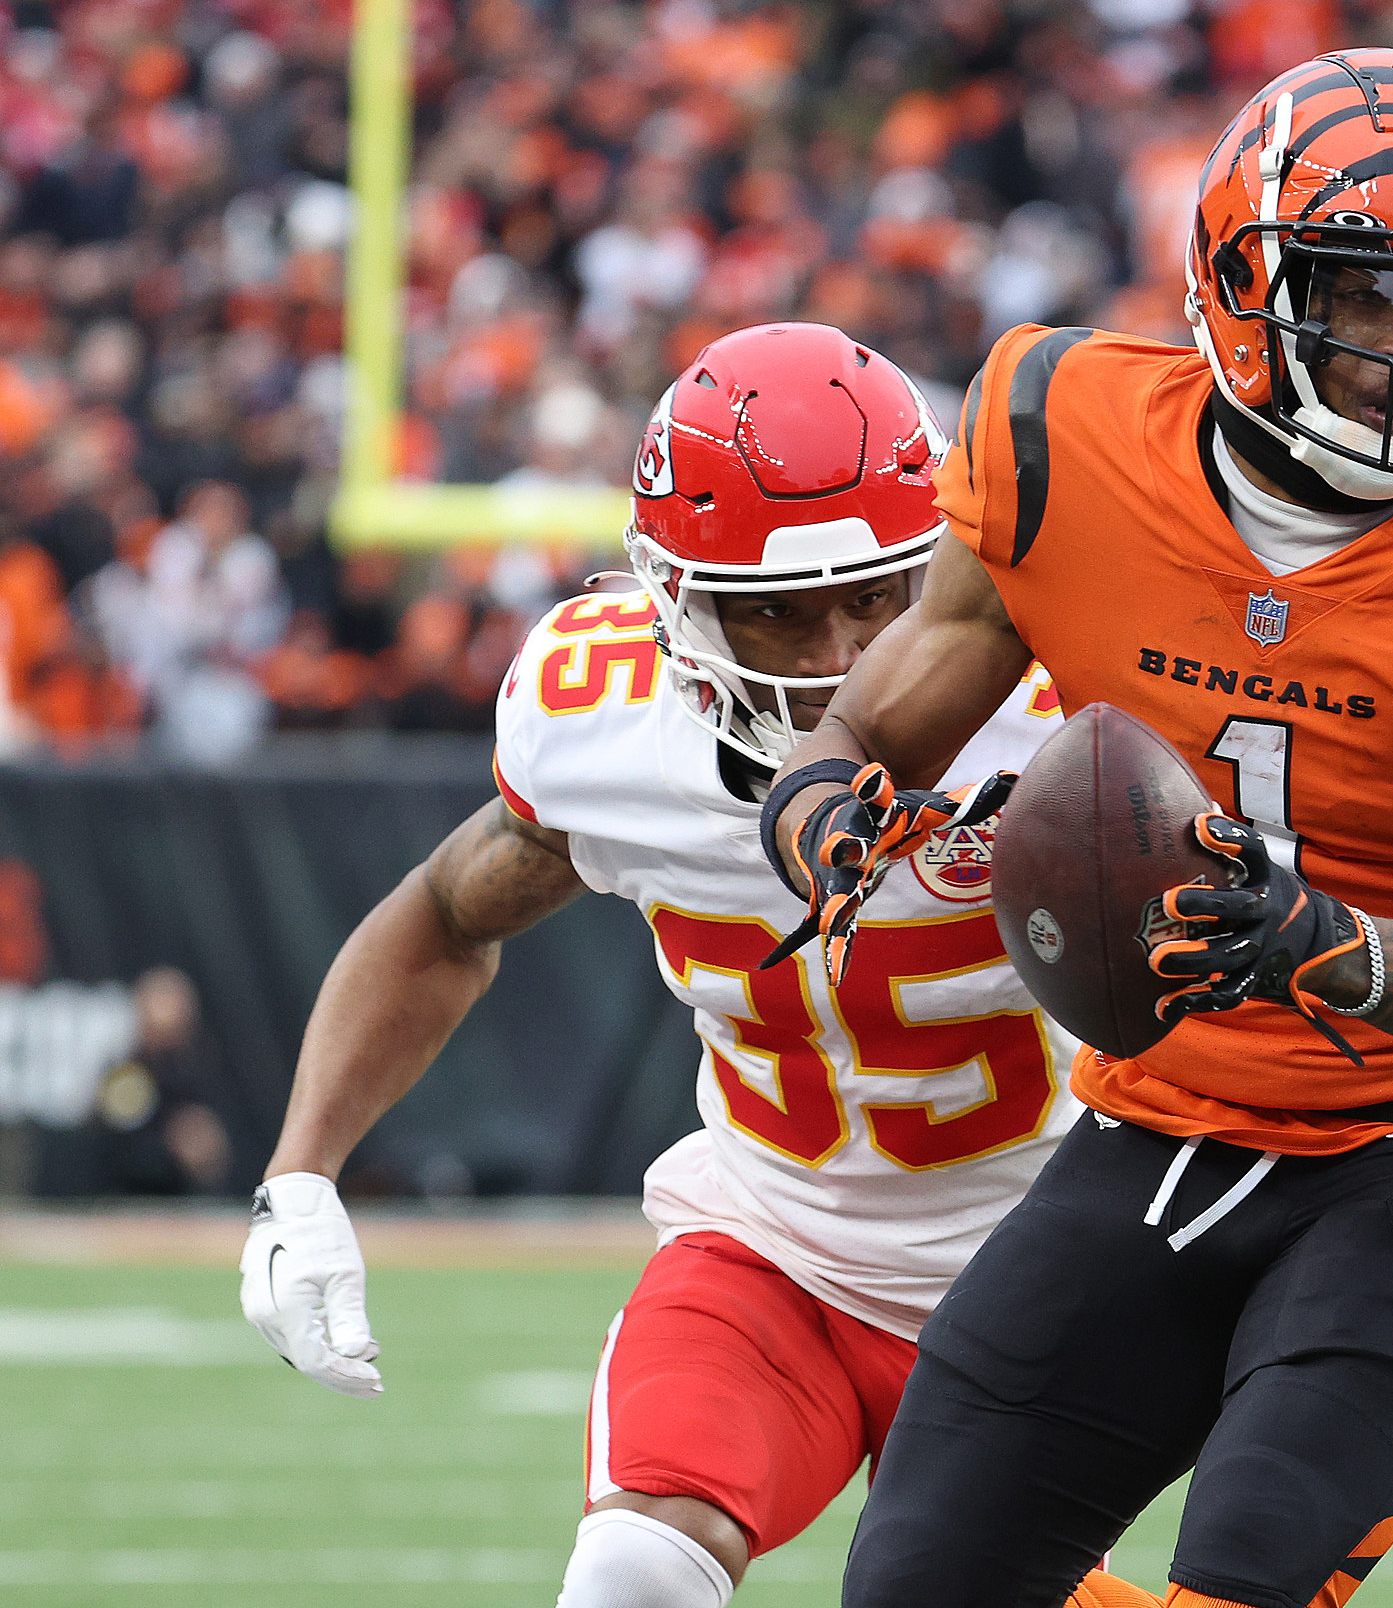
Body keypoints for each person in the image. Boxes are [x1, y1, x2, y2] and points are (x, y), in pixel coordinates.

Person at [764, 49, 1393, 1608]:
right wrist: (818, 794)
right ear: (1243, 279)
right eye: (1370, 295)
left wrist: (1327, 947)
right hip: (1167, 1106)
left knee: (1245, 1581)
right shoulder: (1060, 427)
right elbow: (882, 713)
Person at [236, 323, 1149, 1608]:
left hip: (1041, 1273)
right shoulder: (600, 726)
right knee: (630, 1573)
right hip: (773, 1245)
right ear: (672, 600)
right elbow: (446, 916)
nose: (841, 653)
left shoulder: (1073, 700)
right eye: (776, 613)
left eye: (876, 598)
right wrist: (300, 1177)